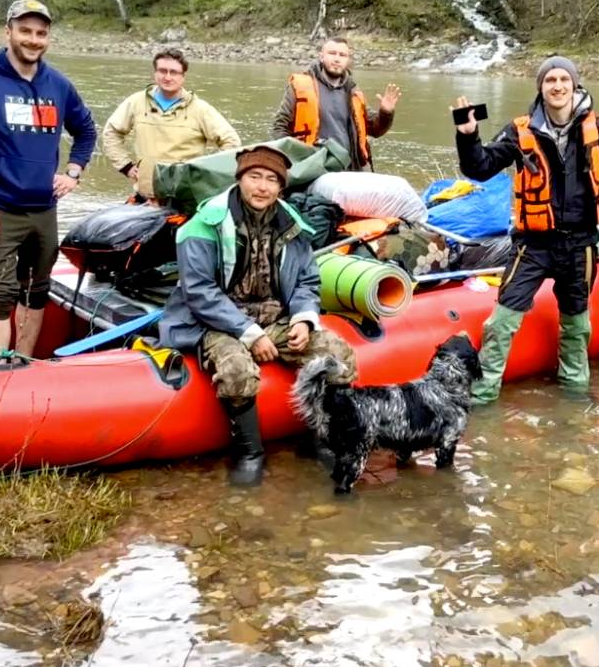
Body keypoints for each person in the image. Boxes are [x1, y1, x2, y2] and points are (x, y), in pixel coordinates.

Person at [158, 145, 358, 486]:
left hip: (274, 316)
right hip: (217, 322)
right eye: (254, 177)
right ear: (240, 180)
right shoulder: (202, 226)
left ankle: (318, 438)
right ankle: (250, 452)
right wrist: (250, 333)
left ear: (281, 187)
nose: (262, 187)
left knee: (337, 355)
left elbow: (308, 280)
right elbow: (199, 292)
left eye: (271, 180)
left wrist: (303, 318)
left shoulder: (293, 227)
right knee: (236, 369)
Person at [453, 56, 599, 404]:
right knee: (501, 322)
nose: (557, 86)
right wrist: (468, 137)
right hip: (533, 244)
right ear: (541, 87)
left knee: (577, 326)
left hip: (580, 245)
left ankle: (575, 393)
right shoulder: (519, 130)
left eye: (564, 79)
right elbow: (480, 168)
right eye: (550, 80)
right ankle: (483, 396)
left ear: (574, 85)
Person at [0, 0, 97, 361]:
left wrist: (73, 172)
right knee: (0, 295)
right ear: (8, 32)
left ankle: (24, 362)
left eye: (41, 33)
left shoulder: (58, 84)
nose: (33, 40)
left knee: (36, 291)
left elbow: (86, 130)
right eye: (25, 31)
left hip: (44, 210)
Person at [101, 49, 242, 201]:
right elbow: (111, 132)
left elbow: (231, 142)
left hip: (187, 197)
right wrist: (126, 166)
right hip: (146, 196)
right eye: (162, 71)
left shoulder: (200, 109)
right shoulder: (136, 102)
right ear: (155, 73)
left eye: (173, 72)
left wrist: (207, 175)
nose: (167, 77)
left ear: (183, 76)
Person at [270, 37, 401, 171]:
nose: (337, 59)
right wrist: (294, 160)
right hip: (314, 167)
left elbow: (375, 129)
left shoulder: (354, 92)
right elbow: (279, 128)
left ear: (348, 60)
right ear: (321, 57)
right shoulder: (300, 86)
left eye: (342, 55)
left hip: (351, 168)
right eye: (332, 53)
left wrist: (386, 112)